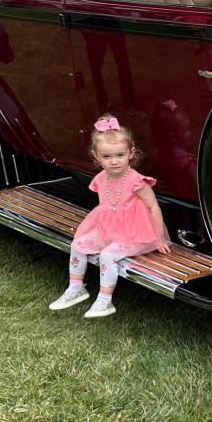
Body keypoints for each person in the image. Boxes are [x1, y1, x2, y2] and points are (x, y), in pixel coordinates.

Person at [49, 116, 171, 319]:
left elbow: (153, 207)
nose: (114, 161)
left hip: (139, 233)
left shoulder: (137, 181)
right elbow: (107, 209)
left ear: (131, 154)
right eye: (107, 156)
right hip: (110, 229)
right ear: (96, 157)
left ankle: (105, 300)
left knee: (107, 255)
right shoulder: (100, 178)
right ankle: (76, 287)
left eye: (120, 155)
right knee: (78, 244)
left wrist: (158, 236)